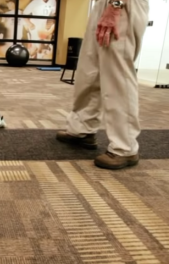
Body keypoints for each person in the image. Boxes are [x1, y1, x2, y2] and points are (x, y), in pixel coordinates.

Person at [56, 0, 149, 170]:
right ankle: (82, 128)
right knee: (89, 71)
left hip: (122, 5)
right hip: (102, 4)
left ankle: (125, 147)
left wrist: (115, 5)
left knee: (117, 77)